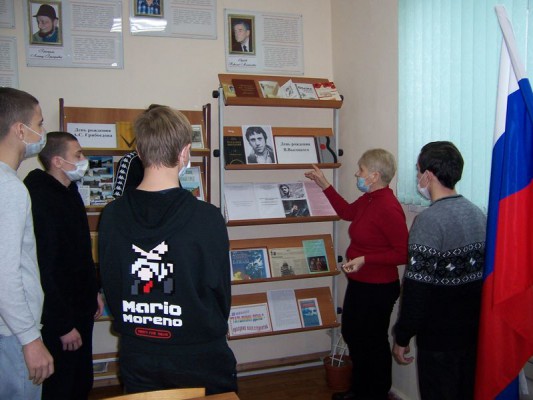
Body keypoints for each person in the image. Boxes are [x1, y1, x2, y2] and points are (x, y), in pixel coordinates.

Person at [99, 105, 237, 395]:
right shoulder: (207, 218)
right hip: (199, 353)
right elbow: (220, 291)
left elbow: (111, 282)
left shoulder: (111, 215)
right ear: (185, 152)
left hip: (138, 351)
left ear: (139, 151)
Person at [305, 149, 408, 400]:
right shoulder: (370, 198)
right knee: (353, 334)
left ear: (374, 176)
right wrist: (325, 184)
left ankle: (376, 393)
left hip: (379, 287)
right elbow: (347, 212)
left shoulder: (388, 206)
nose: (356, 174)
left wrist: (366, 260)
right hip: (361, 283)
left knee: (372, 342)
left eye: (361, 170)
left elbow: (403, 253)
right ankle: (360, 390)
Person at [392, 141, 486, 400]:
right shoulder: (478, 213)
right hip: (474, 333)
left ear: (428, 175)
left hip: (439, 338)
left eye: (418, 170)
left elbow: (417, 288)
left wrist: (402, 336)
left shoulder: (428, 221)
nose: (417, 177)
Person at [23, 131, 103, 399]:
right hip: (61, 320)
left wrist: (93, 291)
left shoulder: (70, 191)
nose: (83, 159)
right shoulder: (41, 199)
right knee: (62, 387)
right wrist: (63, 325)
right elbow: (44, 269)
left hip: (81, 308)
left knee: (81, 382)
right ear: (57, 161)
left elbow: (79, 253)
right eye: (78, 155)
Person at [0, 87, 54, 399]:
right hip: (12, 335)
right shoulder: (9, 188)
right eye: (39, 123)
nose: (42, 132)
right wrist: (30, 339)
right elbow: (5, 273)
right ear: (21, 130)